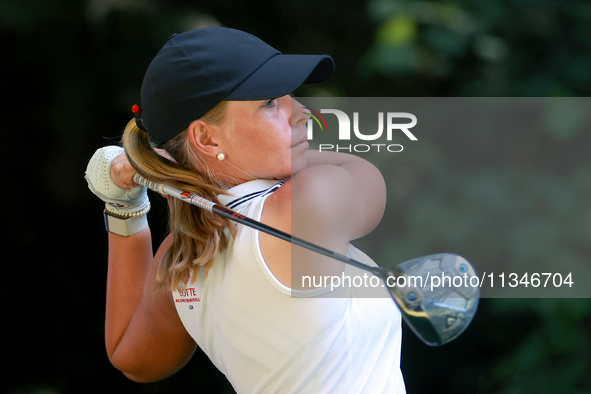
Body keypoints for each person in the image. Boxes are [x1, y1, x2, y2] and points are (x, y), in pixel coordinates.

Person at [85, 27, 405, 393]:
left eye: (291, 97)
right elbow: (364, 173)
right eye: (269, 103)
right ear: (206, 138)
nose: (302, 114)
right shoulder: (307, 202)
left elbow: (133, 357)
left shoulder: (180, 254)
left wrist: (123, 203)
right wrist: (171, 173)